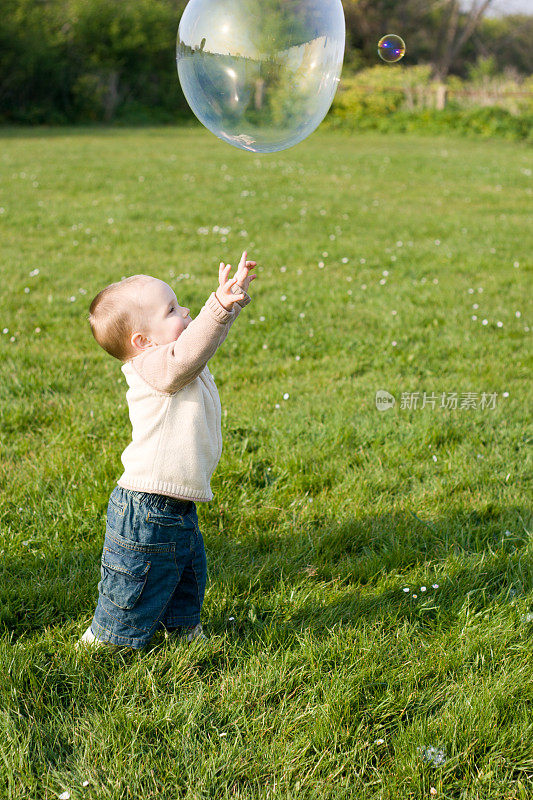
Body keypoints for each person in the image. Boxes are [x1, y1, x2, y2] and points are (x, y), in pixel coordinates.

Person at [76, 252, 257, 651]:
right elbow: (190, 352)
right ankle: (106, 640)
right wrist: (217, 306)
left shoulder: (170, 359)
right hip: (146, 507)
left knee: (187, 573)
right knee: (133, 584)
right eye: (172, 309)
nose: (187, 310)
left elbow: (198, 347)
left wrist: (228, 307)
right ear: (142, 342)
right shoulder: (154, 367)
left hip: (174, 505)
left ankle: (182, 629)